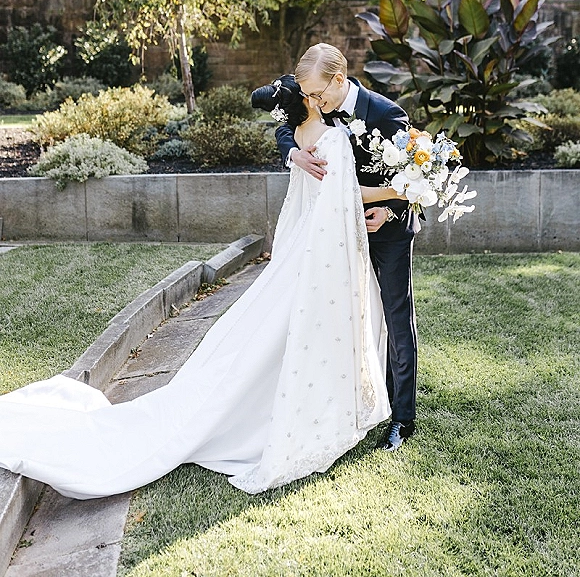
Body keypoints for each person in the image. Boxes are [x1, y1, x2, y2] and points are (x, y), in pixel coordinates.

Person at [0, 76, 389, 499]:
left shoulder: (301, 131)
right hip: (321, 250)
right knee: (292, 333)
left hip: (306, 248)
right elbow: (344, 195)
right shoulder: (328, 137)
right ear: (309, 99)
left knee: (273, 332)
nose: (318, 97)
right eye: (312, 93)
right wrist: (398, 189)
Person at [275, 44, 419, 451]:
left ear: (339, 80)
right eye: (308, 97)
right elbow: (285, 125)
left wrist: (390, 212)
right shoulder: (316, 107)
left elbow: (414, 176)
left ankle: (402, 418)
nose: (313, 103)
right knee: (342, 313)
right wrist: (293, 154)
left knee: (395, 315)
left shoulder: (387, 114)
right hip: (339, 233)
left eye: (319, 95)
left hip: (386, 231)